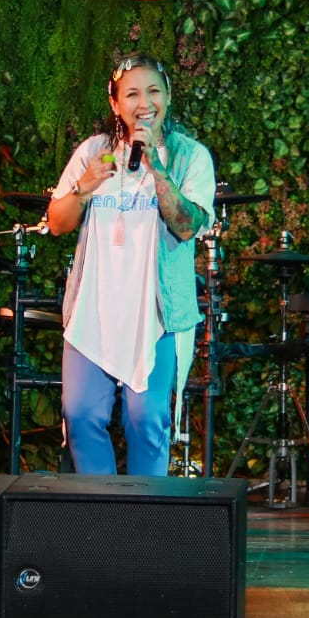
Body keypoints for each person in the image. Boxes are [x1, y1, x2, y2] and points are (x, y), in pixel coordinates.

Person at [46, 52, 216, 476]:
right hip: (94, 311)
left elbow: (186, 226)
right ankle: (100, 510)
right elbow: (57, 223)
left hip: (155, 316)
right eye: (133, 94)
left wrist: (157, 169)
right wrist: (83, 189)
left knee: (146, 420)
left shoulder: (189, 157)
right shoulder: (97, 153)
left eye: (154, 91)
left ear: (168, 96)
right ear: (115, 103)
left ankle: (144, 515)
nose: (145, 103)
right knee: (81, 415)